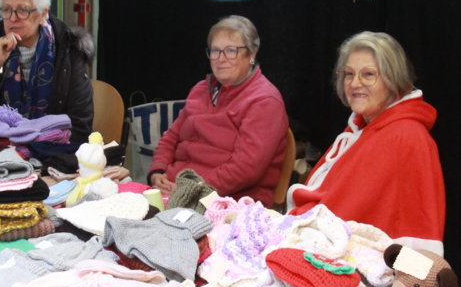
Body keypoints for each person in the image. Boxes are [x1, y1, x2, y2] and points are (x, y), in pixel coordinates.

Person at [287, 31, 445, 254]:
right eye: (349, 74)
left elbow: (346, 214)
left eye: (368, 74)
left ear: (393, 78)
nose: (354, 83)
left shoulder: (405, 137)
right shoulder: (364, 128)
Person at [150, 15, 289, 204]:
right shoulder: (200, 90)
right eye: (215, 51)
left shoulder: (264, 100)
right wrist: (158, 171)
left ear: (251, 55)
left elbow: (245, 169)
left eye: (231, 51)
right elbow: (171, 137)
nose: (220, 59)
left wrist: (191, 189)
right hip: (176, 190)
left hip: (227, 202)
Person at [0, 0, 94, 144]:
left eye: (23, 10)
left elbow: (80, 122)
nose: (12, 18)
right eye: (6, 10)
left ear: (43, 14)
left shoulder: (68, 48)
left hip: (52, 149)